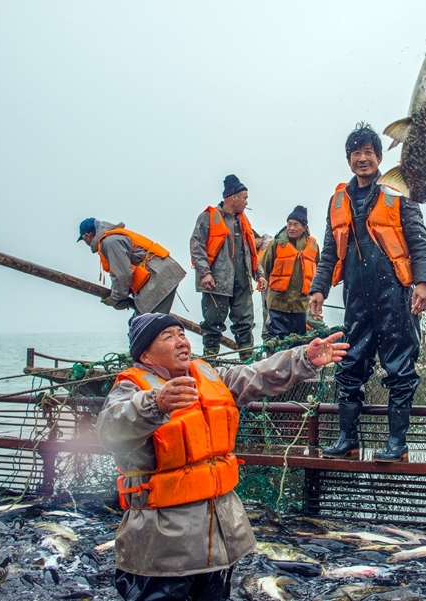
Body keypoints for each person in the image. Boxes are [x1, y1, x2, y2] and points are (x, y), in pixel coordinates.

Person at [97, 312, 348, 601]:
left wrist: (304, 358)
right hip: (161, 551)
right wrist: (157, 402)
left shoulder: (207, 377)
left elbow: (256, 375)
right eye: (168, 337)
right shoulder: (131, 389)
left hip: (218, 546)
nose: (181, 342)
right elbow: (110, 429)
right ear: (145, 355)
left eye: (181, 334)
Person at [309, 123, 426, 463]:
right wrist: (319, 289)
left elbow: (419, 240)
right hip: (357, 298)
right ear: (348, 159)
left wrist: (422, 283)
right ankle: (347, 439)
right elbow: (330, 253)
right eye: (356, 153)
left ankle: (397, 443)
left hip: (395, 294)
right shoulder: (338, 201)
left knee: (399, 367)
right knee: (349, 364)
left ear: (379, 158)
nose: (362, 159)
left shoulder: (398, 192)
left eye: (368, 153)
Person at [190, 175, 267, 360]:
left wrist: (260, 275)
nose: (246, 202)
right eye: (245, 197)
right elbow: (196, 246)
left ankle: (247, 363)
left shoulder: (244, 221)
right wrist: (205, 273)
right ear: (234, 197)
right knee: (212, 325)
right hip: (216, 283)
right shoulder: (207, 217)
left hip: (242, 284)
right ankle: (210, 364)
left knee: (245, 324)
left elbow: (252, 251)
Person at [78, 218, 186, 314]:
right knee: (144, 324)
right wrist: (121, 296)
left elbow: (122, 274)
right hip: (160, 274)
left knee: (144, 326)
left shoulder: (110, 242)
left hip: (158, 277)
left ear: (87, 236)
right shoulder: (113, 238)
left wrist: (116, 298)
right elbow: (126, 270)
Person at [260, 205, 320, 339]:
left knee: (298, 342)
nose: (291, 228)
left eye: (296, 224)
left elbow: (319, 272)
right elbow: (263, 268)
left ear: (304, 227)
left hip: (301, 304)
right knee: (276, 340)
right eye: (289, 224)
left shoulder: (314, 246)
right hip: (277, 303)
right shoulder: (276, 244)